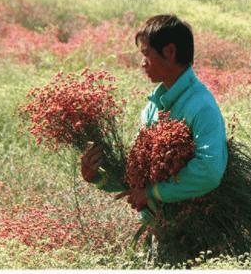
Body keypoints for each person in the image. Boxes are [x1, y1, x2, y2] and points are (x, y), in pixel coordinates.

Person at [80, 14, 228, 218]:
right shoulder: (153, 106)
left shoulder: (202, 106)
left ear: (170, 51)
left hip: (192, 231)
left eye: (146, 54)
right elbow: (140, 177)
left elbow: (209, 171)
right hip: (158, 229)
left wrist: (153, 193)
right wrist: (98, 177)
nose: (142, 63)